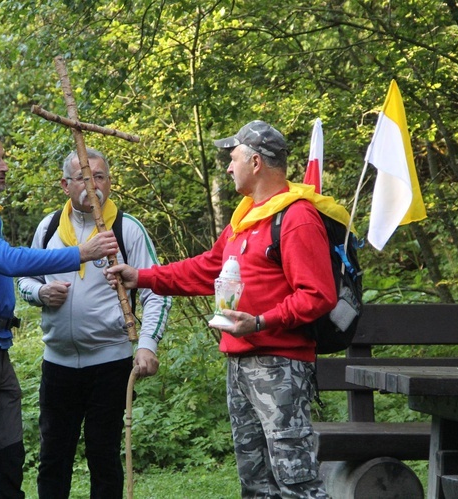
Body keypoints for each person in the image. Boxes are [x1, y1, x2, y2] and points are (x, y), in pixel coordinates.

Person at [107, 120, 352, 498]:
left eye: (233, 157)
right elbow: (207, 268)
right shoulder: (244, 218)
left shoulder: (296, 217)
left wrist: (259, 322)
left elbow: (318, 295)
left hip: (280, 367)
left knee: (296, 481)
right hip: (239, 365)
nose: (228, 166)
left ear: (255, 162)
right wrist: (141, 276)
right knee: (255, 483)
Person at [0, 128, 119, 499]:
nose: (4, 166)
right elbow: (9, 261)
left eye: (3, 157)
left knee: (9, 455)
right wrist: (81, 252)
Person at [17, 148, 171, 498]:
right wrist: (41, 293)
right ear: (65, 185)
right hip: (57, 364)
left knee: (104, 458)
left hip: (110, 363)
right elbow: (23, 281)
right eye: (84, 177)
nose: (93, 185)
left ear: (110, 182)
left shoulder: (126, 229)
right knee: (53, 458)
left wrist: (147, 344)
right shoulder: (49, 227)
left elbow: (157, 291)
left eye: (99, 176)